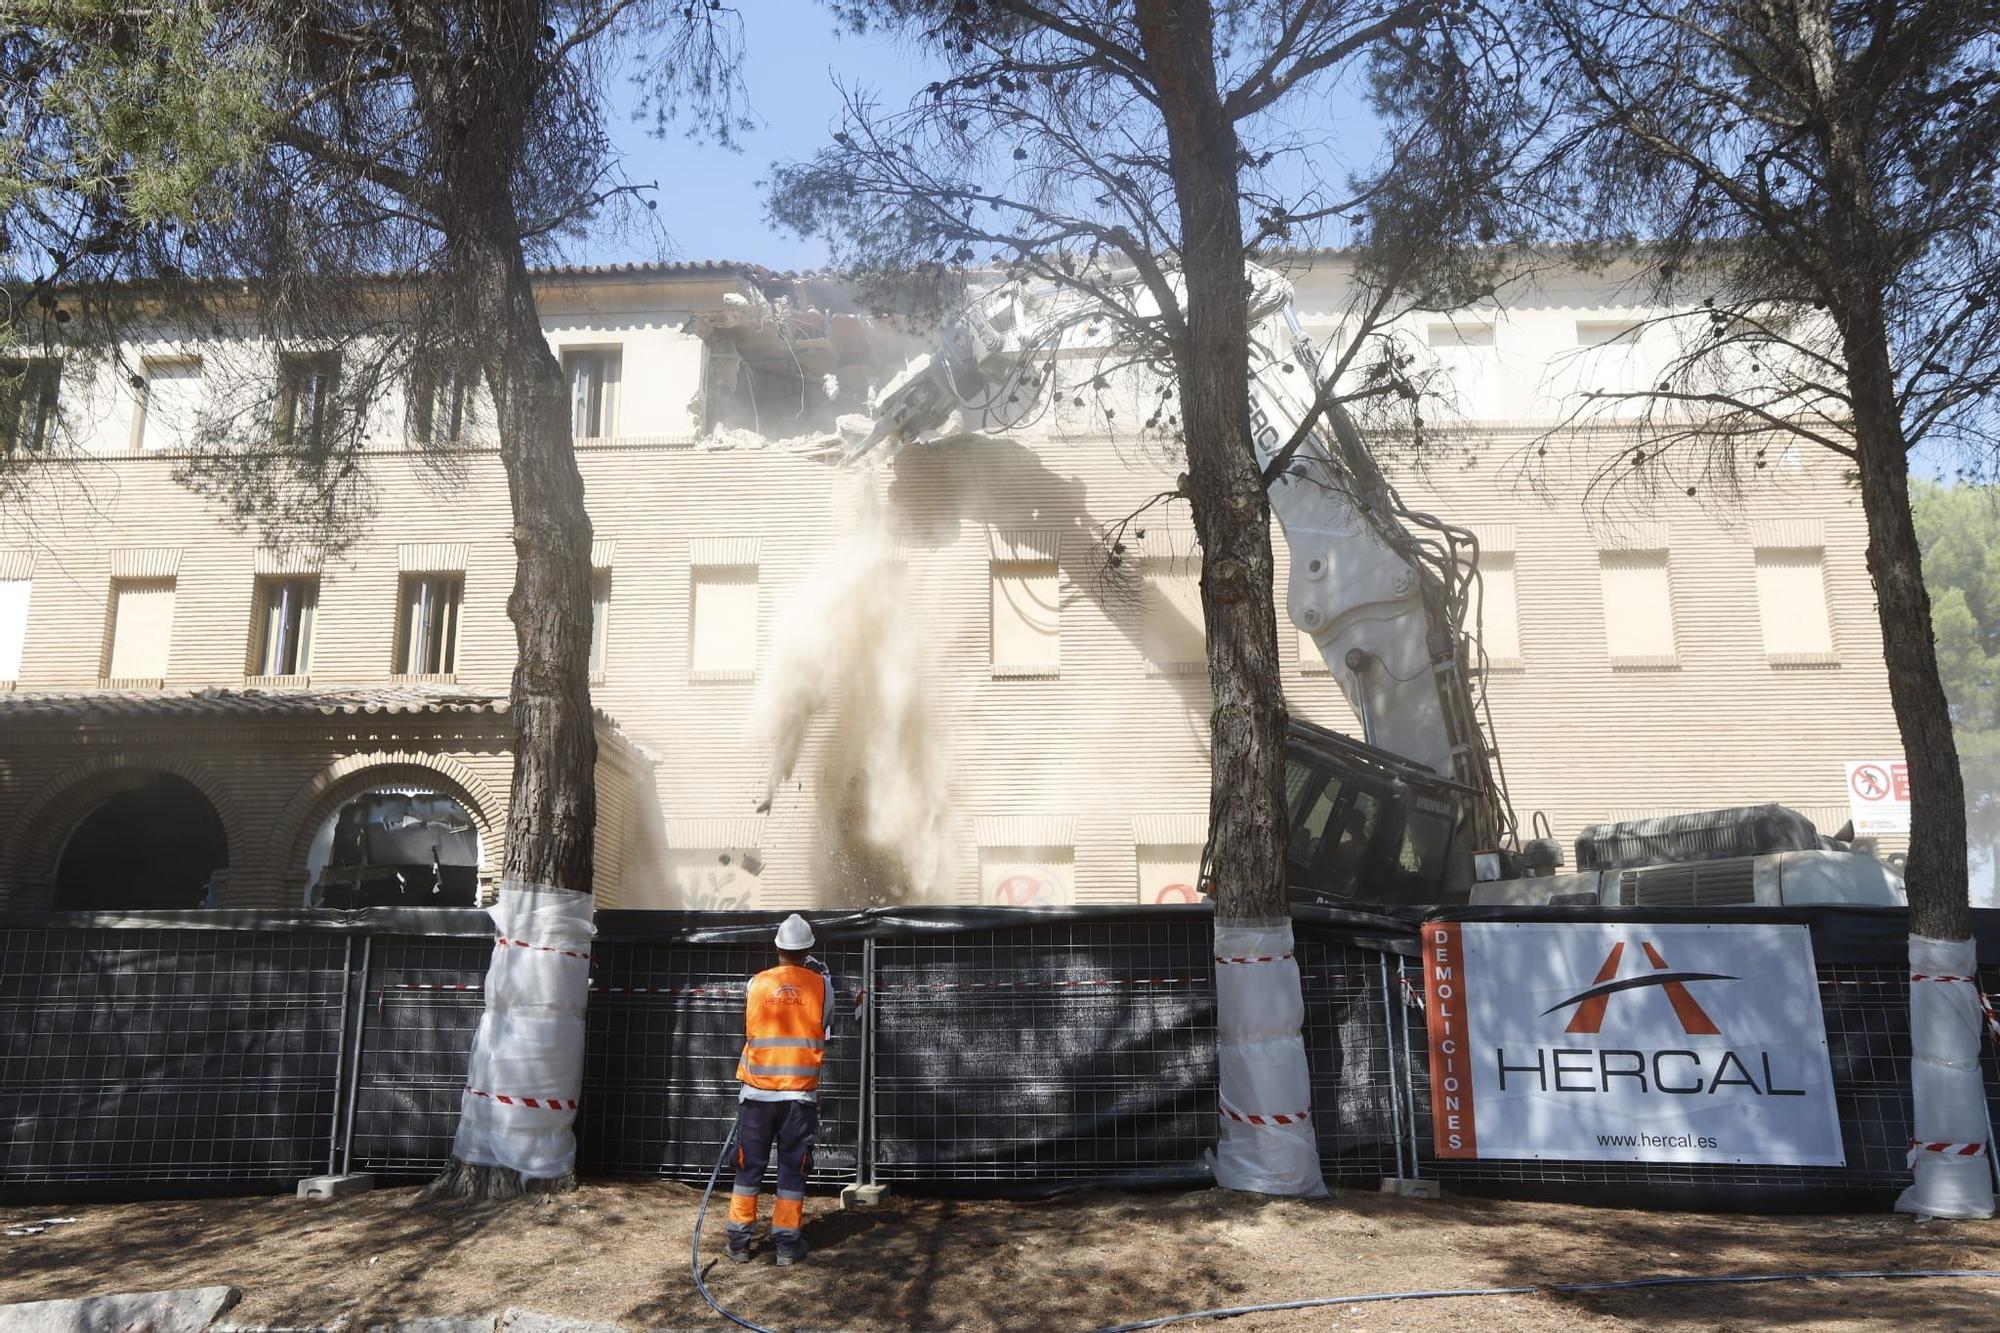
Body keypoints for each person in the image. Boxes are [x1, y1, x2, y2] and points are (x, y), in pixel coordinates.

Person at [725, 913, 834, 1266]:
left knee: (747, 1168)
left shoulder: (755, 983)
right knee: (792, 1169)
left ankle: (738, 1242)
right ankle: (787, 1244)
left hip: (756, 1096)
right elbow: (826, 1025)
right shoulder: (821, 986)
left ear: (777, 948)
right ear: (808, 950)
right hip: (798, 1099)